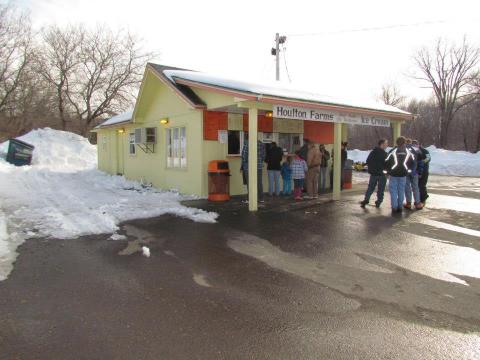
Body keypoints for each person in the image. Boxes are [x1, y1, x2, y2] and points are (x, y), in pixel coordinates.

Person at [384, 136, 415, 214]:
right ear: (404, 143)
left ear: (396, 143)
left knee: (393, 190)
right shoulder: (408, 152)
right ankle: (400, 207)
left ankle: (394, 207)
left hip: (393, 174)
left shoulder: (392, 151)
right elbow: (412, 162)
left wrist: (387, 171)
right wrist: (409, 171)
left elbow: (386, 161)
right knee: (401, 190)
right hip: (403, 175)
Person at [360, 139, 388, 208]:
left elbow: (368, 161)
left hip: (373, 174)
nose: (387, 145)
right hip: (382, 175)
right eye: (386, 143)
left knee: (370, 188)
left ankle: (366, 200)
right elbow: (387, 164)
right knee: (381, 189)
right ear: (382, 144)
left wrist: (372, 168)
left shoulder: (373, 152)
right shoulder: (385, 154)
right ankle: (379, 202)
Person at [404, 139, 423, 210]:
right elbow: (420, 162)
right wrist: (420, 172)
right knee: (415, 188)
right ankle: (417, 203)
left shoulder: (404, 149)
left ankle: (408, 203)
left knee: (407, 187)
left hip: (405, 172)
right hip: (414, 172)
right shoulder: (417, 150)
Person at [412, 139, 431, 205]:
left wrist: (422, 162)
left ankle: (422, 199)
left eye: (415, 145)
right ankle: (420, 198)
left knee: (422, 185)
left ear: (418, 145)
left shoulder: (425, 151)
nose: (414, 147)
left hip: (424, 171)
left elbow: (428, 158)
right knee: (417, 186)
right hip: (416, 171)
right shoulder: (413, 151)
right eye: (413, 145)